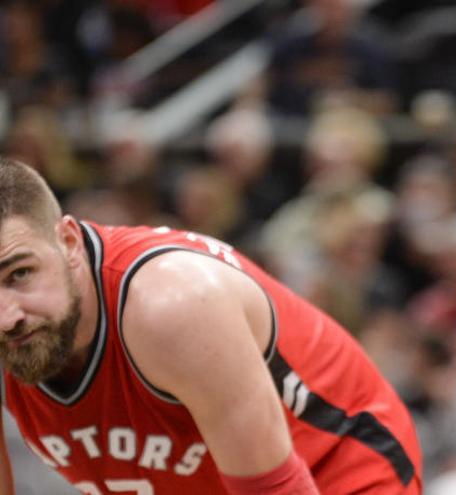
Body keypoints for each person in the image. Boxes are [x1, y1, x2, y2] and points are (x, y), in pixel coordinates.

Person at [0, 158, 422, 494]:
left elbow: (274, 489)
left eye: (19, 273)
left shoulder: (172, 304)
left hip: (336, 467)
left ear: (69, 243)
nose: (7, 317)